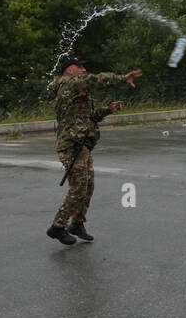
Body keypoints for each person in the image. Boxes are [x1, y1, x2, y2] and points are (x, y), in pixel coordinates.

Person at [47, 57, 142, 245]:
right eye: (79, 66)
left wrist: (108, 109)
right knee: (79, 187)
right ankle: (57, 226)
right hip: (71, 145)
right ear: (69, 70)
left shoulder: (76, 89)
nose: (83, 70)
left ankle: (77, 224)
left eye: (84, 67)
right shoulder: (70, 83)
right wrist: (123, 78)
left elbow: (88, 118)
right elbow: (97, 79)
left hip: (82, 145)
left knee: (88, 186)